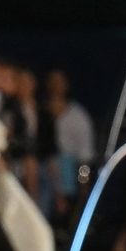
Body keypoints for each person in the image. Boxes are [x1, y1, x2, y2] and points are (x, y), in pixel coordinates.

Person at [43, 69, 96, 223]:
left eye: (59, 82)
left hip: (69, 176)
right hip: (44, 174)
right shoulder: (39, 111)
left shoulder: (78, 116)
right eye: (52, 82)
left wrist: (83, 186)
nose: (55, 86)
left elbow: (84, 158)